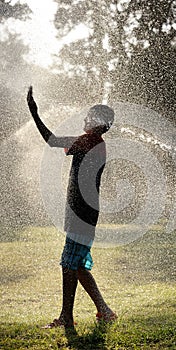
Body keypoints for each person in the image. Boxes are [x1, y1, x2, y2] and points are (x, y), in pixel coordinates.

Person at [27, 86, 117, 328]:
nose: (85, 119)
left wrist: (34, 112)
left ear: (98, 122)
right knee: (76, 265)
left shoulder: (91, 141)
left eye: (90, 116)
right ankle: (105, 311)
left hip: (82, 214)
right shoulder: (94, 141)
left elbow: (52, 140)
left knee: (69, 264)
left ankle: (67, 318)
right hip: (82, 212)